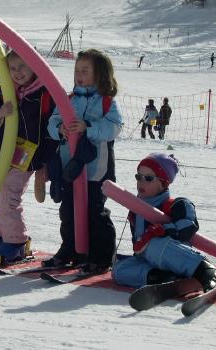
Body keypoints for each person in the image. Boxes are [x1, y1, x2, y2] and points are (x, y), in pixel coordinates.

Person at [0, 50, 58, 266]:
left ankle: (16, 242)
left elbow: (51, 132)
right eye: (12, 68)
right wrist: (0, 113)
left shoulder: (44, 93)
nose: (17, 72)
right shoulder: (4, 88)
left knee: (7, 198)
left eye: (23, 66)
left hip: (25, 157)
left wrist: (45, 163)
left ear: (34, 67)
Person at [45, 49, 122, 271]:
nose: (79, 75)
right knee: (68, 211)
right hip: (70, 167)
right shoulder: (68, 99)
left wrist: (88, 128)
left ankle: (101, 256)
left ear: (100, 75)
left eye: (85, 71)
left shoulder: (107, 102)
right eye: (77, 70)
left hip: (96, 168)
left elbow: (114, 127)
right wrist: (60, 128)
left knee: (94, 212)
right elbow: (53, 122)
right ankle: (70, 249)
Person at [112, 153, 216, 292]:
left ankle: (205, 270)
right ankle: (163, 278)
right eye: (138, 177)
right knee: (119, 270)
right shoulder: (136, 209)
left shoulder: (176, 204)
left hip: (173, 256)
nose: (141, 182)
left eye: (148, 178)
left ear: (163, 182)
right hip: (150, 261)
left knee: (154, 246)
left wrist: (164, 229)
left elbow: (187, 229)